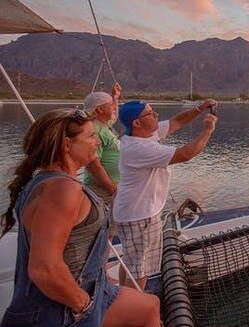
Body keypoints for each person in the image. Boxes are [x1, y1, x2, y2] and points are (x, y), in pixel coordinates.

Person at [0, 109, 160, 327]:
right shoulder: (62, 190)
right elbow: (44, 269)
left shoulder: (47, 181)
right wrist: (85, 306)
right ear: (67, 144)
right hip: (58, 311)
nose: (97, 142)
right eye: (91, 136)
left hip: (92, 291)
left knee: (149, 307)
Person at [114, 99, 217, 290]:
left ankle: (122, 297)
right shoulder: (140, 148)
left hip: (133, 213)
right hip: (140, 217)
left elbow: (176, 121)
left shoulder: (144, 135)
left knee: (131, 261)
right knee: (140, 269)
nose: (156, 115)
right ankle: (133, 304)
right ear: (137, 123)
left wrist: (199, 109)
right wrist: (208, 130)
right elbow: (186, 154)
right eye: (150, 113)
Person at [83, 83, 122, 204]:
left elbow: (114, 117)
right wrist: (112, 189)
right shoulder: (93, 130)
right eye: (110, 105)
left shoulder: (103, 124)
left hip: (109, 189)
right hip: (102, 191)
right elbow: (92, 165)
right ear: (100, 109)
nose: (114, 108)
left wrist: (115, 97)